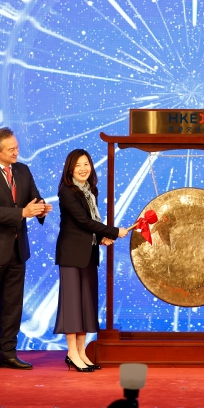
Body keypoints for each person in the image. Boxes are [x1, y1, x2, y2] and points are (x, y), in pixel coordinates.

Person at [0, 127, 52, 373]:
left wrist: (41, 209)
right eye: (11, 149)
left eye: (17, 147)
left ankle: (8, 353)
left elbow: (34, 198)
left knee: (13, 305)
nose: (16, 152)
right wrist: (23, 212)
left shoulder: (23, 170)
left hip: (17, 249)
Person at [54, 149, 127, 372]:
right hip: (71, 254)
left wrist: (101, 237)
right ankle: (71, 353)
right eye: (78, 165)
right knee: (72, 305)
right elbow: (83, 221)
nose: (83, 169)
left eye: (86, 164)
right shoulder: (67, 192)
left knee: (86, 303)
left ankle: (81, 351)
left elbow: (89, 224)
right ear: (70, 169)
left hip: (88, 252)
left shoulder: (90, 191)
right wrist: (113, 231)